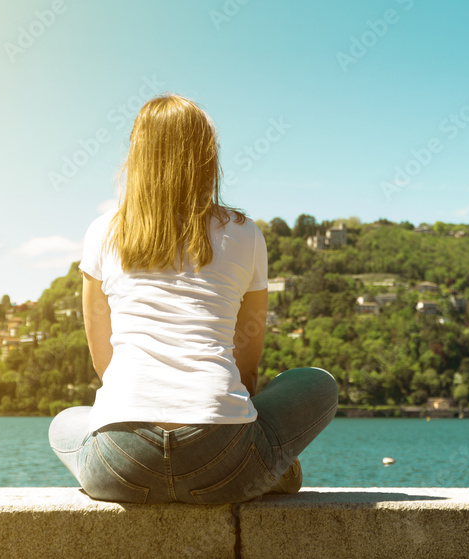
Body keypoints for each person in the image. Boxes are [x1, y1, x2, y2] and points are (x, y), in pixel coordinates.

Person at [48, 93, 337, 504]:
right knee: (317, 383)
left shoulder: (102, 232)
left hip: (121, 466)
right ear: (206, 157)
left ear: (136, 156)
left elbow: (102, 361)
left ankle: (257, 463)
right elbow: (246, 362)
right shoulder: (245, 233)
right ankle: (266, 466)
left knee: (65, 422)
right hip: (224, 463)